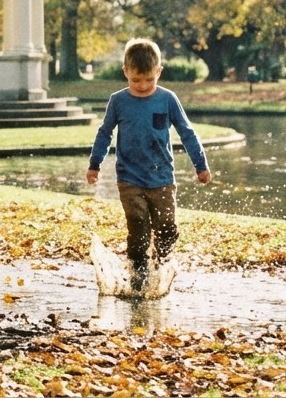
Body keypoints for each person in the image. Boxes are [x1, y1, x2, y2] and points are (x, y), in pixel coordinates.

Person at [87, 38, 211, 290]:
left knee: (166, 227)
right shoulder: (118, 101)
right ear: (126, 73)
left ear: (158, 72)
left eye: (148, 80)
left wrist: (201, 164)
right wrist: (95, 164)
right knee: (138, 224)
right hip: (129, 177)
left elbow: (187, 132)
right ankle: (138, 271)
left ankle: (162, 265)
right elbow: (104, 133)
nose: (142, 86)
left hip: (162, 177)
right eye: (135, 80)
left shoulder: (167, 99)